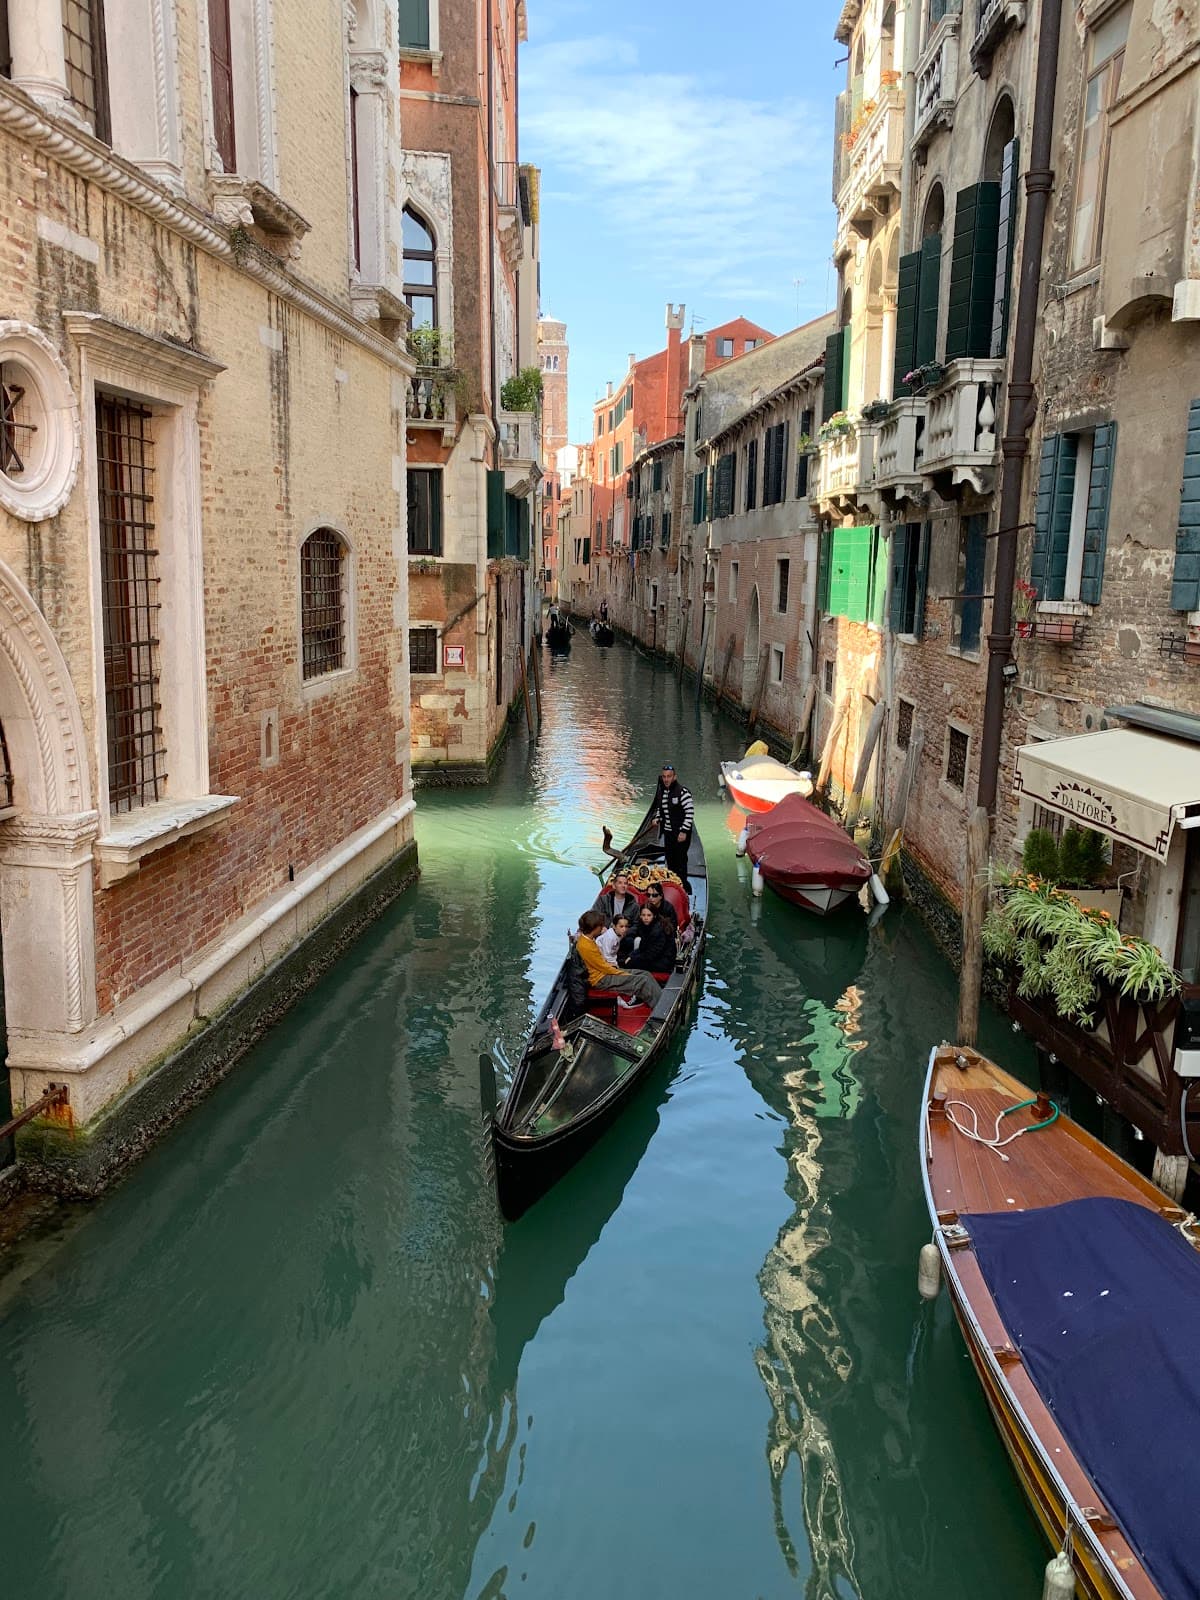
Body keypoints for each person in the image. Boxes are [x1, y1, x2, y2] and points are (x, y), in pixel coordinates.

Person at [575, 910, 662, 1009]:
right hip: (601, 979)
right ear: (595, 928)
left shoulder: (589, 940)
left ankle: (662, 1001)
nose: (603, 928)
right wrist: (625, 974)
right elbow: (603, 967)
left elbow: (603, 964)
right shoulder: (586, 946)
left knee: (646, 974)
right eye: (601, 926)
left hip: (606, 972)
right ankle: (661, 1010)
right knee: (642, 981)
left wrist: (619, 970)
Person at [654, 763, 694, 893]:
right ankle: (672, 886)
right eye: (664, 776)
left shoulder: (683, 792)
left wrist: (683, 831)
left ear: (674, 777)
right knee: (670, 860)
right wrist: (657, 818)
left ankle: (683, 888)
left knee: (681, 861)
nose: (666, 779)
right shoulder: (662, 792)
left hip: (681, 834)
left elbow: (689, 813)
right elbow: (661, 809)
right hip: (669, 834)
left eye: (669, 776)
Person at [619, 903, 676, 974]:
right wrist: (631, 956)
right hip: (654, 958)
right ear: (640, 916)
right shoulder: (645, 926)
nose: (646, 918)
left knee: (629, 964)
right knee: (626, 958)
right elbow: (642, 948)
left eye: (649, 915)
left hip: (663, 962)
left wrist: (633, 959)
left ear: (654, 916)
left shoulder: (657, 929)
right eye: (643, 915)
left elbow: (651, 955)